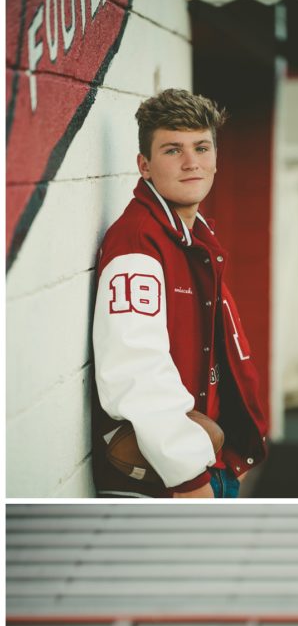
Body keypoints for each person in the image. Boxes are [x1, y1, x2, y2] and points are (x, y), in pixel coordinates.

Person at [91, 89, 267, 499]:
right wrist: (190, 480)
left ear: (216, 157)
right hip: (167, 484)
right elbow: (136, 372)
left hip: (210, 465)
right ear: (144, 165)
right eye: (173, 150)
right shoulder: (138, 243)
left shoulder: (193, 237)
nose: (192, 163)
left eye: (202, 148)